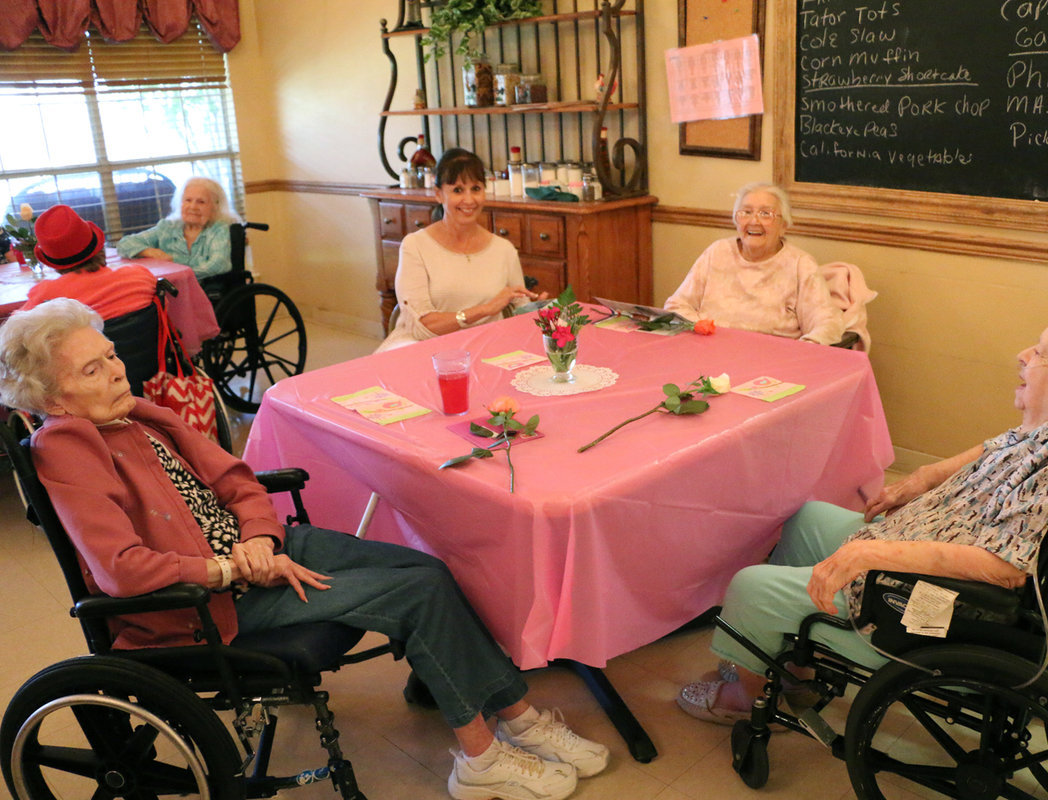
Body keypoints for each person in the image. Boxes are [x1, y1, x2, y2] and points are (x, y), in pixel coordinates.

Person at [0, 299, 609, 800]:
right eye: (91, 370)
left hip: (260, 551)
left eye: (109, 356)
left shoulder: (139, 414)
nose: (115, 370)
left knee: (427, 565)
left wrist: (261, 538)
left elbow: (237, 480)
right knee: (418, 593)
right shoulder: (68, 448)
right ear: (53, 401)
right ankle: (480, 759)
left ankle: (519, 717)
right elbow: (119, 569)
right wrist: (230, 566)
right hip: (205, 603)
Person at [676, 288, 1048, 724]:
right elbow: (998, 446)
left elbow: (1006, 567)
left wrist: (866, 557)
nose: (1024, 355)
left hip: (944, 606)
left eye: (1041, 352)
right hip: (939, 544)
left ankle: (745, 696)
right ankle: (794, 664)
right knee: (807, 518)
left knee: (751, 585)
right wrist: (922, 478)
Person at [376, 148, 544, 352]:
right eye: (457, 190)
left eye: (476, 188)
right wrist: (484, 310)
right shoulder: (415, 246)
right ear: (439, 194)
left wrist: (538, 311)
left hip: (486, 347)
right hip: (422, 349)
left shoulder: (504, 250)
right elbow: (421, 327)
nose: (469, 200)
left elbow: (520, 313)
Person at [663, 182, 845, 345]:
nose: (754, 221)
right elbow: (677, 305)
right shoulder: (717, 252)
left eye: (766, 214)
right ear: (736, 220)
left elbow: (826, 323)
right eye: (746, 212)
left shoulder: (800, 265)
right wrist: (700, 327)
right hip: (710, 354)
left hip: (771, 365)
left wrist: (803, 349)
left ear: (784, 226)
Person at [20, 204, 156, 320]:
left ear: (52, 261)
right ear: (99, 246)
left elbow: (10, 338)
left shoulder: (44, 298)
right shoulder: (140, 275)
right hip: (147, 350)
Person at [116, 177, 238, 279]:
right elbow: (125, 244)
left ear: (214, 207)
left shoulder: (219, 229)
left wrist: (174, 267)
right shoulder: (168, 227)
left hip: (204, 292)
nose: (192, 207)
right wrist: (151, 252)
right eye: (188, 200)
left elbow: (218, 265)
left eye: (201, 202)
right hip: (170, 290)